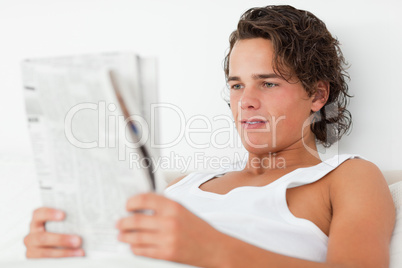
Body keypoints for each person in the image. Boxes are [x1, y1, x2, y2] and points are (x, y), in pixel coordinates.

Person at [24, 5, 395, 268]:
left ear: (317, 95)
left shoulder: (347, 177)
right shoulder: (185, 183)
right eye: (236, 85)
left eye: (267, 83)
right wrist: (65, 245)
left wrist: (211, 250)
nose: (245, 102)